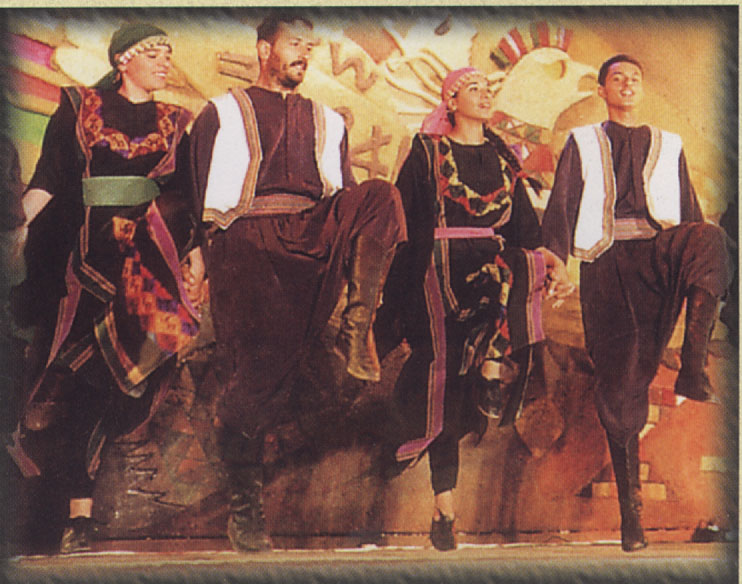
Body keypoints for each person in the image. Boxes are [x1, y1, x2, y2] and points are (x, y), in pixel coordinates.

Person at [189, 12, 406, 552]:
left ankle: (359, 325)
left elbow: (347, 195)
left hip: (312, 232)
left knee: (381, 196)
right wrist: (197, 253)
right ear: (264, 50)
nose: (303, 53)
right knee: (259, 376)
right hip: (247, 240)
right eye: (293, 43)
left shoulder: (329, 120)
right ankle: (246, 507)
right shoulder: (221, 111)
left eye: (309, 45)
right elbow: (194, 190)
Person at [6, 23, 204, 554]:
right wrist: (15, 226)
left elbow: (187, 195)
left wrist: (195, 255)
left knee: (115, 385)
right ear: (123, 60)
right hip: (87, 261)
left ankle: (79, 514)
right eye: (153, 52)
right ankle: (72, 515)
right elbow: (48, 179)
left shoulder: (177, 121)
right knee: (78, 384)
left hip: (149, 268)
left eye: (168, 53)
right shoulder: (79, 106)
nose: (165, 61)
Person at [541, 54, 732, 552]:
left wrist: (694, 271)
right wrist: (555, 261)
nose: (627, 84)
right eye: (617, 78)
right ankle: (632, 513)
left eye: (634, 79)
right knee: (622, 383)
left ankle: (693, 366)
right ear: (602, 90)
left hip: (658, 254)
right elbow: (561, 205)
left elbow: (689, 214)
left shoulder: (669, 144)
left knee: (711, 238)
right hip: (607, 264)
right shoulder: (583, 141)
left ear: (641, 90)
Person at [376, 67, 568, 551]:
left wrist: (552, 262)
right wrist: (395, 289)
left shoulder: (503, 159)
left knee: (519, 270)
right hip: (436, 270)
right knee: (443, 382)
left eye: (489, 89)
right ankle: (445, 507)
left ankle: (490, 369)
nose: (485, 95)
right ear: (451, 100)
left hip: (489, 266)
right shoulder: (427, 152)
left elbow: (525, 230)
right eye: (473, 88)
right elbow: (403, 219)